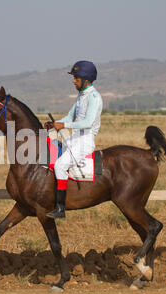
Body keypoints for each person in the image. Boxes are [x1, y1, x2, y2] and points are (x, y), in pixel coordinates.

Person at [44, 60, 103, 219]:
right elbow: (70, 116)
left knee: (60, 165)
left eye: (76, 77)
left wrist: (63, 124)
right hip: (75, 138)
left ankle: (60, 208)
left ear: (86, 79)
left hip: (85, 141)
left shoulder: (94, 97)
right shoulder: (81, 95)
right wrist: (54, 124)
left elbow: (87, 123)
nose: (73, 80)